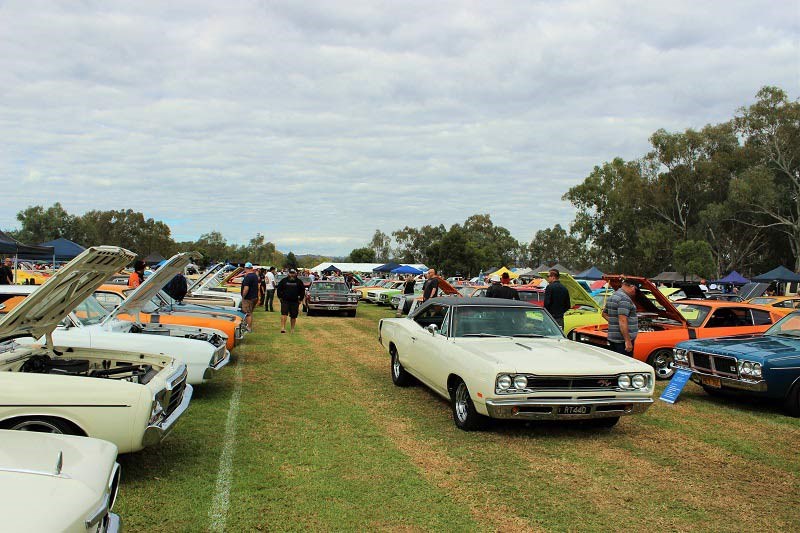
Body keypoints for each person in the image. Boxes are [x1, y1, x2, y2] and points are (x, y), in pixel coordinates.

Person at [602, 277, 638, 356]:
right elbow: (622, 321)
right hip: (622, 341)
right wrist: (627, 341)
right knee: (625, 365)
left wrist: (614, 322)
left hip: (613, 338)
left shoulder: (612, 296)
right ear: (632, 287)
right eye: (635, 289)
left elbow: (604, 314)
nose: (635, 292)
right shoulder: (624, 299)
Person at [277, 268, 305, 333]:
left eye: (293, 273)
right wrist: (280, 297)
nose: (292, 275)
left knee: (293, 315)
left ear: (295, 273)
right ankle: (283, 328)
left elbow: (302, 291)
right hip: (285, 300)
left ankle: (292, 329)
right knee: (284, 314)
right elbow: (279, 289)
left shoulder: (299, 281)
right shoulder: (283, 281)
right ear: (288, 273)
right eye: (291, 273)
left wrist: (300, 299)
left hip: (295, 301)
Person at [240, 262, 260, 332]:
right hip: (254, 297)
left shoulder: (247, 277)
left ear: (245, 268)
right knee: (250, 313)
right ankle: (248, 327)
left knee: (247, 313)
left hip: (248, 297)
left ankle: (248, 328)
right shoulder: (255, 276)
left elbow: (246, 288)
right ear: (251, 268)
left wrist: (243, 296)